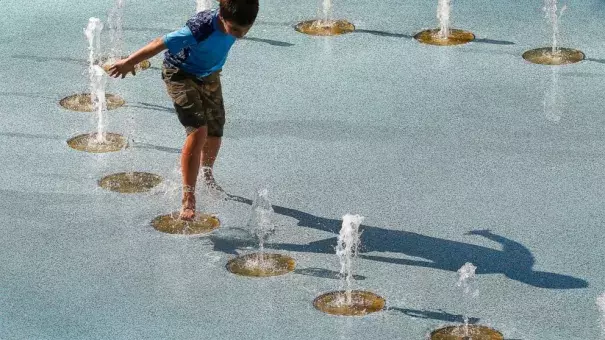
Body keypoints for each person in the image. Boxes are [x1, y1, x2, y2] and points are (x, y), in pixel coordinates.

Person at [108, 0, 259, 220]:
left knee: (216, 131)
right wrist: (129, 62)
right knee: (199, 131)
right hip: (180, 73)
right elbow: (160, 43)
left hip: (210, 75)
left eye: (245, 30)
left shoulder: (240, 12)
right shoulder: (201, 28)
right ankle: (188, 196)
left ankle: (206, 174)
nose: (239, 35)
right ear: (222, 18)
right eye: (234, 29)